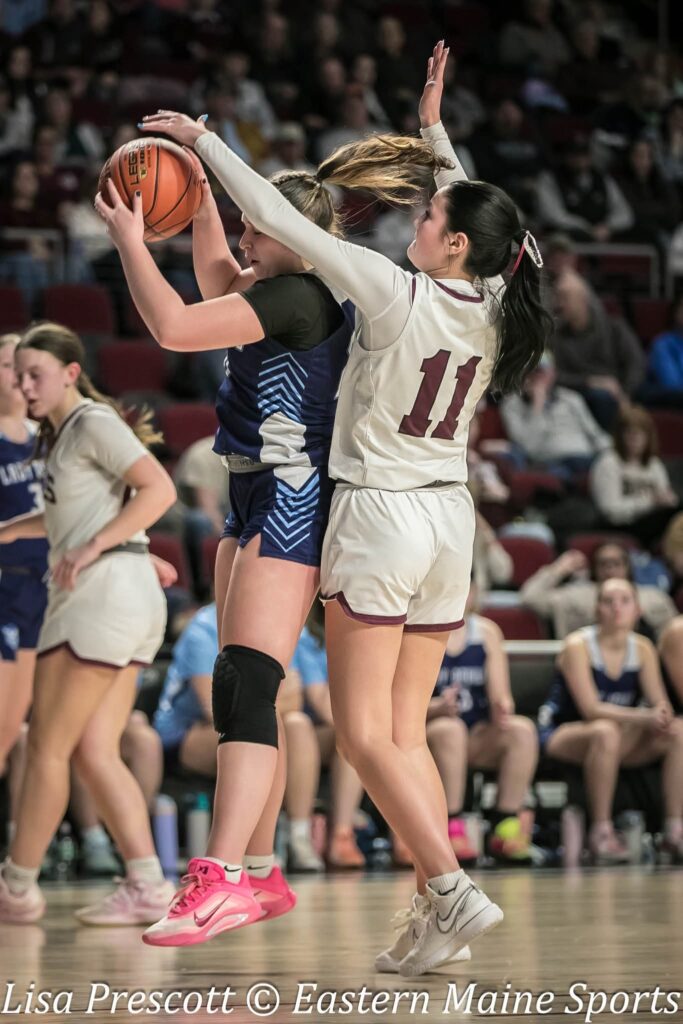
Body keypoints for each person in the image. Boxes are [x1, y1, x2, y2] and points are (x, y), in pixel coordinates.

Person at [138, 39, 551, 972]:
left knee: (363, 735)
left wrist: (206, 143)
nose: (415, 210)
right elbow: (480, 212)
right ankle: (431, 913)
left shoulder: (390, 288)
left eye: (429, 210)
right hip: (452, 522)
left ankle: (449, 887)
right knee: (404, 733)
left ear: (449, 242)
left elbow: (285, 215)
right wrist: (435, 131)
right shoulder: (493, 292)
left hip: (379, 513)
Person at [94, 119, 355, 946]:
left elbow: (174, 325)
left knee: (244, 680)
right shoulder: (276, 286)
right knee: (240, 685)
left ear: (288, 234)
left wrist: (132, 240)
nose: (241, 227)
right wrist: (202, 200)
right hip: (253, 492)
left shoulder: (297, 295)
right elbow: (215, 280)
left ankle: (219, 878)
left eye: (250, 217)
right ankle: (260, 871)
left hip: (289, 495)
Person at [0, 322, 176, 926]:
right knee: (96, 750)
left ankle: (16, 886)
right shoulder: (61, 438)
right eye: (18, 374)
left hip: (100, 598)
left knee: (48, 746)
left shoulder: (91, 424)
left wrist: (99, 545)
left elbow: (158, 487)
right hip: (127, 597)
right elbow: (58, 522)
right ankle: (149, 884)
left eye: (35, 374)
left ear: (71, 373)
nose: (24, 385)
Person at [537, 578, 683, 863]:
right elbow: (591, 709)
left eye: (625, 601)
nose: (617, 608)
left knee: (678, 731)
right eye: (608, 601)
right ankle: (601, 831)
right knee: (605, 731)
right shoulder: (577, 645)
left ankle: (674, 830)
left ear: (638, 610)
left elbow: (659, 702)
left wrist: (662, 715)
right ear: (597, 609)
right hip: (564, 734)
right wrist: (644, 718)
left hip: (617, 739)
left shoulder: (642, 648)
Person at [427, 584, 538, 864]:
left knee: (521, 731)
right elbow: (402, 704)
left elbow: (502, 695)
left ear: (474, 592)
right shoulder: (419, 627)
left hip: (474, 734)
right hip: (429, 733)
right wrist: (438, 707)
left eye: (464, 587)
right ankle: (452, 826)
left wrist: (502, 707)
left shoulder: (486, 632)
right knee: (451, 730)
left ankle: (505, 826)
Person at [0, 333, 48, 834]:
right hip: (7, 592)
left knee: (42, 739)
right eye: (9, 364)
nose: (19, 375)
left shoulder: (49, 435)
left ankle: (24, 854)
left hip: (54, 590)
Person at [288, 604, 365, 871]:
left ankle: (341, 836)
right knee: (348, 730)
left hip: (328, 731)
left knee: (354, 737)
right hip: (304, 729)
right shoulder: (306, 636)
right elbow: (323, 705)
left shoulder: (368, 630)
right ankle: (299, 838)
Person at [520, 541, 677, 640]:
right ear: (594, 568)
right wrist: (560, 568)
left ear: (628, 567)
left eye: (616, 563)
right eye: (603, 564)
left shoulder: (656, 598)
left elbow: (675, 637)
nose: (610, 569)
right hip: (583, 664)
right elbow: (531, 597)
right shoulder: (575, 596)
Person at [589, 405, 680, 548]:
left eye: (640, 434)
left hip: (653, 524)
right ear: (620, 435)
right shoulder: (608, 463)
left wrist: (670, 501)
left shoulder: (654, 465)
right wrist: (649, 502)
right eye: (630, 434)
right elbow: (610, 510)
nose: (635, 439)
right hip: (622, 526)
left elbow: (664, 498)